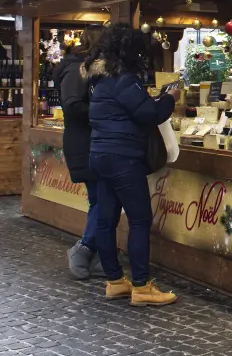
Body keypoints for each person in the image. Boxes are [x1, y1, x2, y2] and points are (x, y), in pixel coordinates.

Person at [83, 23, 182, 307]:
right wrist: (169, 99)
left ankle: (115, 281)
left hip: (100, 155)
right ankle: (141, 286)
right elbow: (149, 114)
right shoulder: (124, 80)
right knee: (139, 220)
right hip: (123, 158)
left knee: (106, 220)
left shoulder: (100, 79)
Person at [55, 25, 115, 279]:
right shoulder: (75, 70)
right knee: (102, 201)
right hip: (85, 144)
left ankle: (102, 255)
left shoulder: (91, 70)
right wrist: (102, 112)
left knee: (102, 200)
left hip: (93, 142)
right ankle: (85, 248)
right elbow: (71, 104)